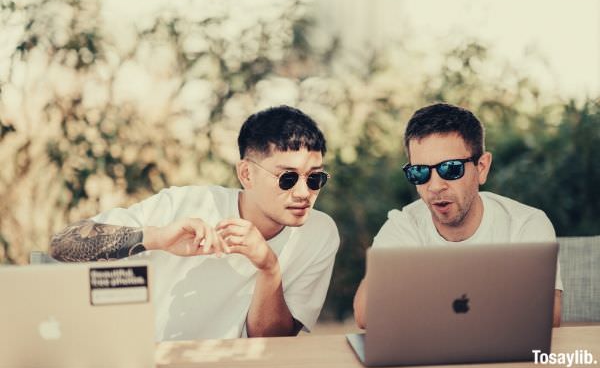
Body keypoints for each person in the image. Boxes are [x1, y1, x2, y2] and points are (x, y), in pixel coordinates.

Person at [49, 105, 340, 341]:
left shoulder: (319, 233)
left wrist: (269, 267)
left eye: (315, 178)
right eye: (287, 178)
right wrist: (157, 237)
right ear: (246, 174)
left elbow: (272, 343)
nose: (304, 193)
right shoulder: (186, 204)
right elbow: (63, 245)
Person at [353, 103, 563, 328]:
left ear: (481, 167)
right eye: (420, 172)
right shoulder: (405, 225)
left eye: (450, 169)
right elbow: (366, 314)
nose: (434, 186)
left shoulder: (524, 224)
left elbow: (549, 313)